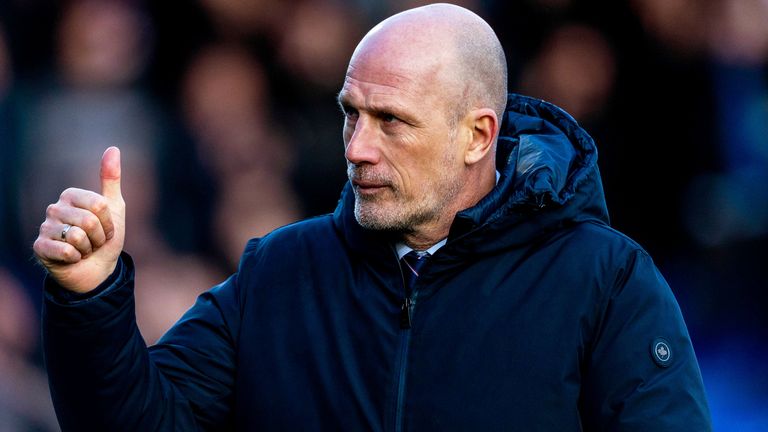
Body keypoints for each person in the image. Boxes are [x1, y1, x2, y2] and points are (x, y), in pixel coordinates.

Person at [33, 3, 712, 431]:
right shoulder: (280, 270)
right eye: (351, 114)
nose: (357, 148)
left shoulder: (606, 281)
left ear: (477, 136)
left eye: (391, 121)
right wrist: (89, 296)